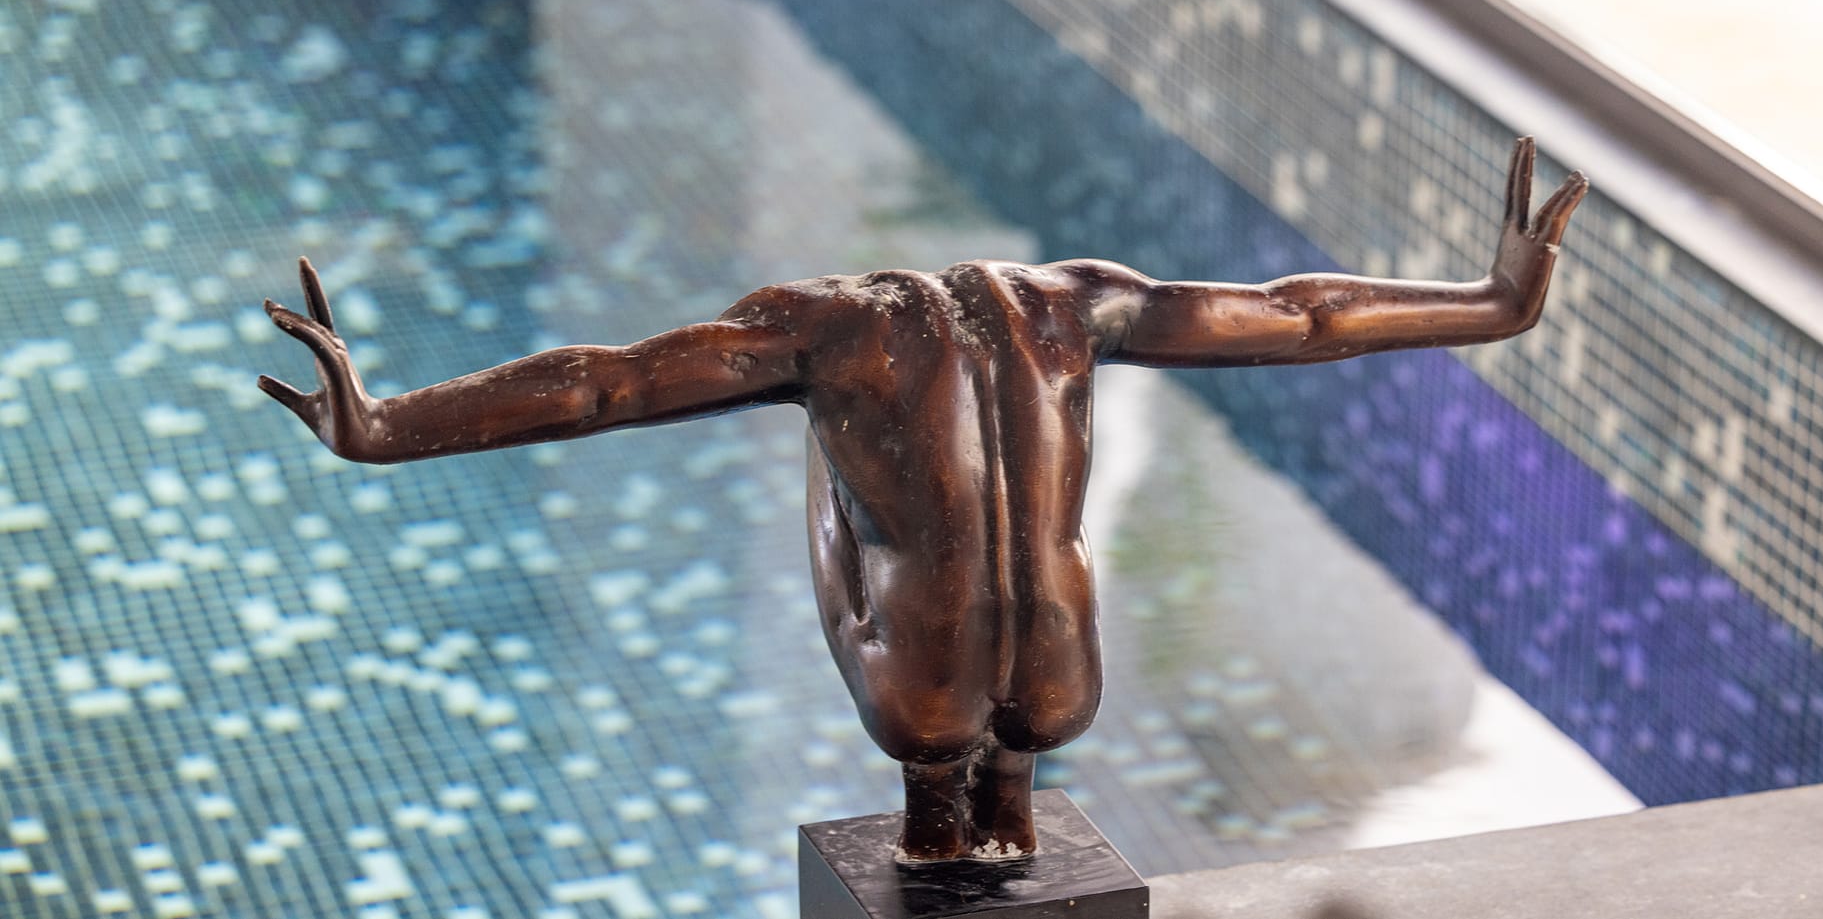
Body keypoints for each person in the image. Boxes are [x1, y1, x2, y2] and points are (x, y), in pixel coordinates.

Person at [261, 137, 1585, 863]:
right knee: (1003, 572)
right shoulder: (1075, 304)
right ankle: (1015, 795)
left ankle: (937, 819)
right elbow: (1301, 317)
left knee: (835, 459)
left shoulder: (824, 328)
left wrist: (388, 424)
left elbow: (607, 385)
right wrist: (1493, 300)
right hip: (1066, 674)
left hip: (920, 686)